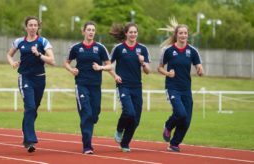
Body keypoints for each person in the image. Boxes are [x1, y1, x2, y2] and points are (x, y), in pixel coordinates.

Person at [6, 16, 55, 153]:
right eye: (30, 25)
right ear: (26, 27)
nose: (33, 27)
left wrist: (38, 54)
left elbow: (52, 60)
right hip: (25, 78)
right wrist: (12, 63)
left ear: (38, 27)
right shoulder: (19, 41)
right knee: (30, 106)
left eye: (35, 25)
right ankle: (29, 140)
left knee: (33, 109)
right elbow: (9, 55)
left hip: (40, 79)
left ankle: (26, 134)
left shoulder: (43, 41)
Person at [63, 21, 112, 154]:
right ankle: (87, 146)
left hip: (95, 87)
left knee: (94, 114)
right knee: (86, 113)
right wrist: (72, 69)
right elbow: (66, 63)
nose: (91, 32)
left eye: (93, 30)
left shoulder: (100, 48)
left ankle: (89, 121)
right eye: (88, 30)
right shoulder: (76, 48)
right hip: (81, 85)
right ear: (83, 31)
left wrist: (100, 67)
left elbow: (110, 65)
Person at [157, 18, 203, 152]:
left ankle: (174, 143)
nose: (183, 35)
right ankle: (168, 125)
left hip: (186, 89)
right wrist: (167, 73)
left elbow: (199, 66)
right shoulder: (168, 50)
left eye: (185, 33)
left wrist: (200, 70)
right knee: (181, 113)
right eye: (181, 33)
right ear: (176, 35)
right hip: (172, 88)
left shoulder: (193, 51)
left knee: (187, 120)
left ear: (188, 35)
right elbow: (159, 68)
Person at [109, 22, 151, 152]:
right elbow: (108, 65)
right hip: (123, 85)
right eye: (131, 32)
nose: (133, 34)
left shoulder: (143, 49)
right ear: (126, 33)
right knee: (129, 112)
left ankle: (125, 143)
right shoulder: (119, 48)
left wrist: (143, 63)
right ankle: (120, 129)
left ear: (137, 34)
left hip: (137, 87)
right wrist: (115, 76)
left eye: (135, 32)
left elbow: (148, 71)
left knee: (136, 119)